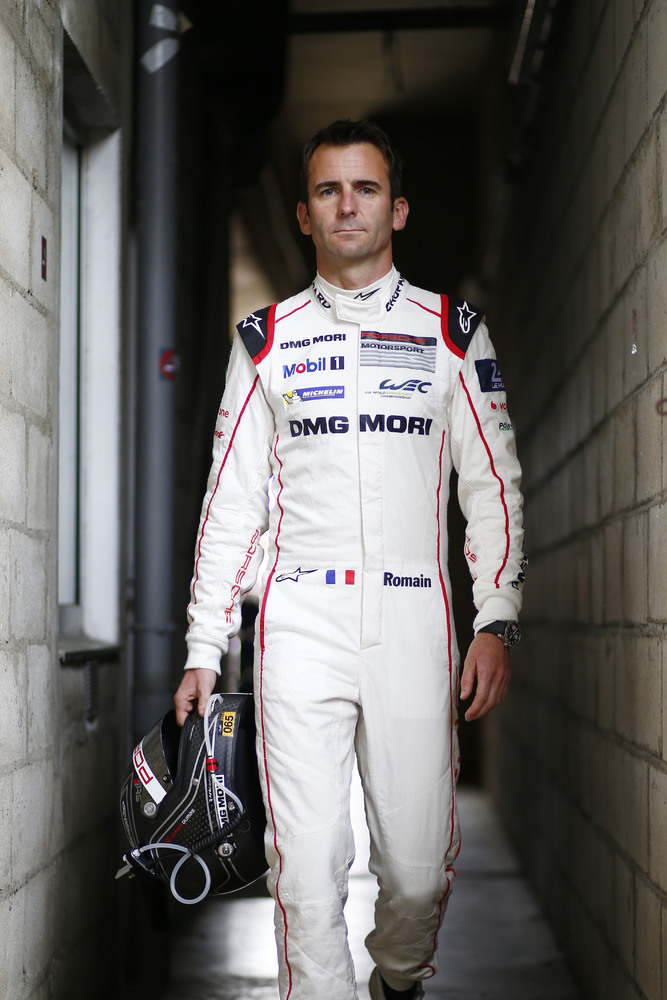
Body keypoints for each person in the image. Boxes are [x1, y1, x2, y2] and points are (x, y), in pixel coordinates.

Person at [174, 119, 525, 1000]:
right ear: (302, 214)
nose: (346, 206)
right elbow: (230, 502)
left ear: (396, 209)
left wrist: (496, 619)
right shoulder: (264, 340)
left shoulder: (452, 332)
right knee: (304, 870)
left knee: (417, 873)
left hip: (413, 618)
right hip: (299, 620)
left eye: (364, 188)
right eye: (327, 190)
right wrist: (204, 644)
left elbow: (493, 486)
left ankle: (397, 980)